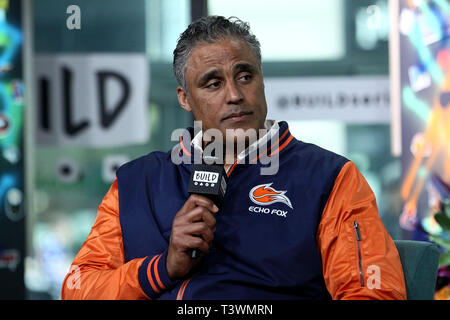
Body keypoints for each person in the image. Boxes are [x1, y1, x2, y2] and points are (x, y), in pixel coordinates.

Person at [61, 16, 406, 300]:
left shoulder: (330, 177)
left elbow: (373, 292)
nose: (235, 95)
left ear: (262, 81)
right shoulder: (135, 183)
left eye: (245, 76)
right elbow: (77, 289)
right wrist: (162, 269)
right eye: (212, 83)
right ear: (184, 98)